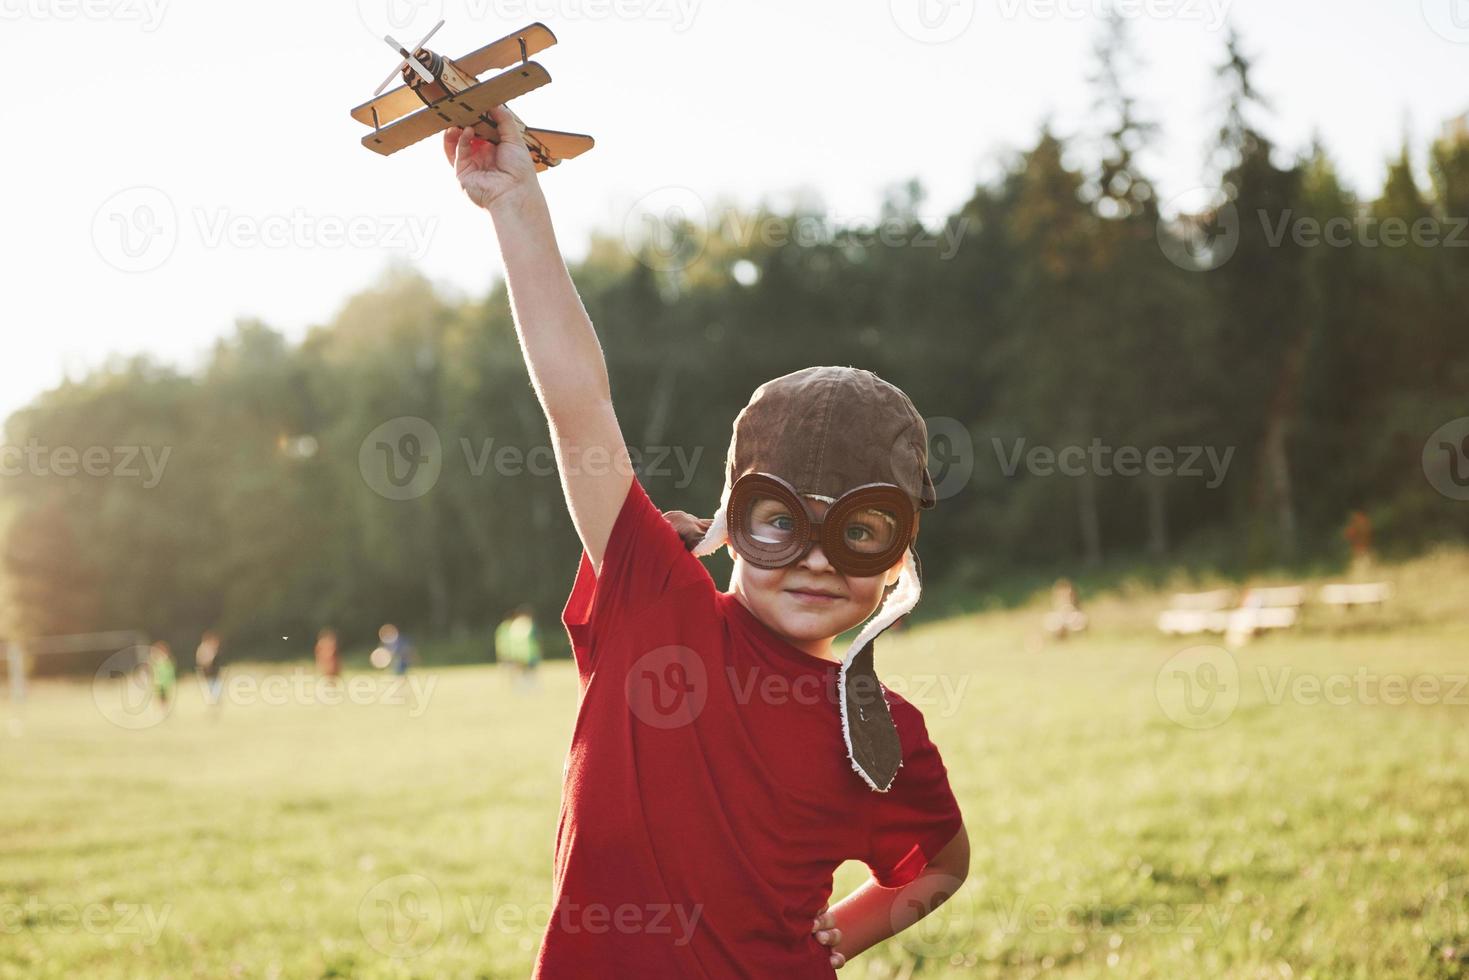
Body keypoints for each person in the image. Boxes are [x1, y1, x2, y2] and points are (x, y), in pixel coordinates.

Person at [443, 113, 968, 977]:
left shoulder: (882, 731)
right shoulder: (655, 599)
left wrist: (856, 926)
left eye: (859, 531)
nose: (816, 557)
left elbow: (943, 863)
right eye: (780, 519)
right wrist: (515, 208)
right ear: (729, 521)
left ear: (898, 559)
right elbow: (579, 409)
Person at [495, 605, 541, 689]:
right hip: (528, 653)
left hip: (516, 653)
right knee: (528, 671)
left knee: (518, 671)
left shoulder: (513, 625)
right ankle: (528, 687)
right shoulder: (528, 625)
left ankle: (519, 687)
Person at [194, 630, 225, 711]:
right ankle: (213, 707)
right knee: (211, 693)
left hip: (214, 674)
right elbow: (202, 662)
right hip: (208, 674)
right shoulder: (204, 649)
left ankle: (215, 707)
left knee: (215, 692)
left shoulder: (213, 649)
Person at [148, 642, 176, 715]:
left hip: (165, 683)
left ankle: (165, 711)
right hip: (158, 683)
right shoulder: (156, 662)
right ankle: (161, 711)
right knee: (159, 698)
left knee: (165, 698)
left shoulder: (167, 662)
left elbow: (170, 671)